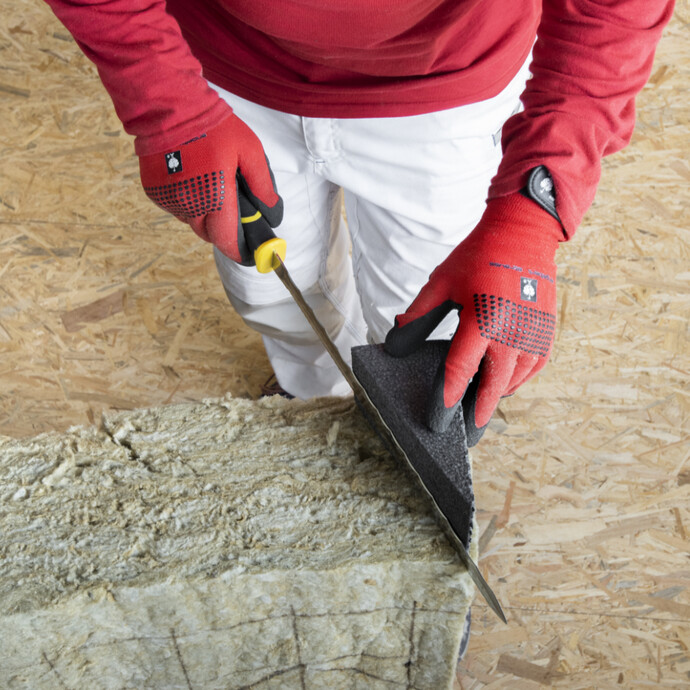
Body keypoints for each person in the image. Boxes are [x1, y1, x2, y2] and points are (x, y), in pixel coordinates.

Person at [43, 0, 674, 440]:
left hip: (447, 86)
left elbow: (613, 11)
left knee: (424, 328)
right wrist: (169, 108)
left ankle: (404, 443)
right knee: (269, 290)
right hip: (228, 76)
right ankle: (312, 395)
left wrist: (531, 214)